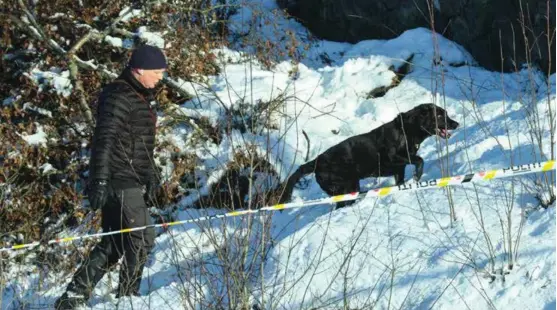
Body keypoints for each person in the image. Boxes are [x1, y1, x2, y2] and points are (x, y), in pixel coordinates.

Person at [54, 45, 167, 309]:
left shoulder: (139, 96)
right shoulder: (119, 95)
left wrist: (151, 176)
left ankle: (72, 298)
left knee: (115, 242)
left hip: (131, 179)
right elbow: (104, 140)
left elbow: (139, 145)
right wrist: (100, 181)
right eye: (157, 72)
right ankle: (127, 299)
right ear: (139, 70)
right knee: (142, 237)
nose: (161, 77)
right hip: (119, 179)